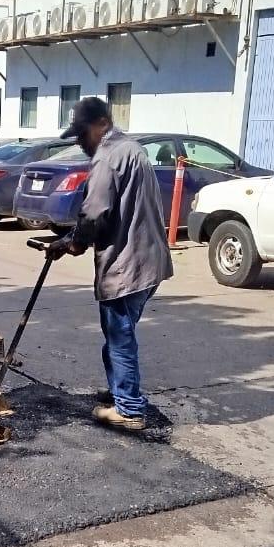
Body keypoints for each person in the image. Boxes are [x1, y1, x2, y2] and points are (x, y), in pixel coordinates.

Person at [48, 97, 172, 432]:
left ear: (102, 123)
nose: (80, 142)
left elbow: (96, 212)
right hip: (148, 259)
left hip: (127, 262)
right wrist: (69, 238)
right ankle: (122, 392)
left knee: (119, 337)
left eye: (82, 134)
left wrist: (75, 242)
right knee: (119, 334)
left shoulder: (108, 157)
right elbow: (115, 208)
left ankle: (129, 409)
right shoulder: (132, 149)